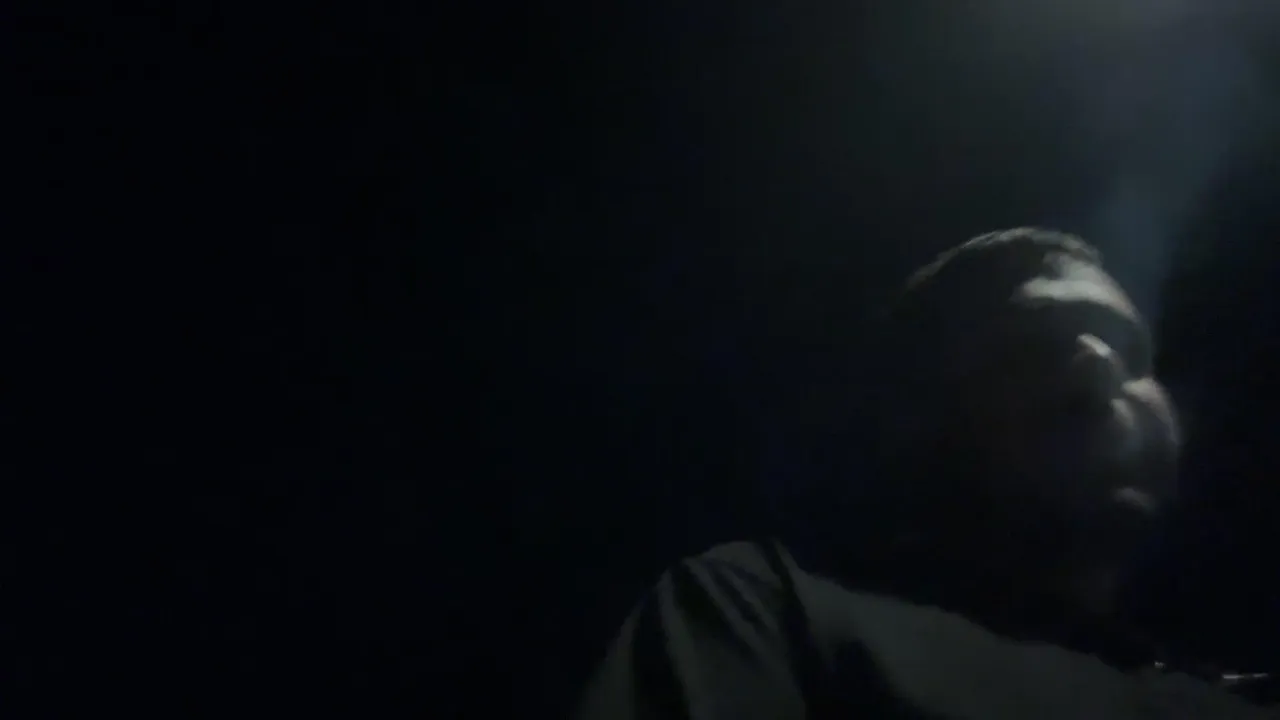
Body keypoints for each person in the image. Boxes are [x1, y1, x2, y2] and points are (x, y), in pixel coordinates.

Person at [575, 228, 1276, 719]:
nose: (1099, 363)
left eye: (1131, 349)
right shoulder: (771, 610)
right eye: (1033, 344)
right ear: (922, 414)